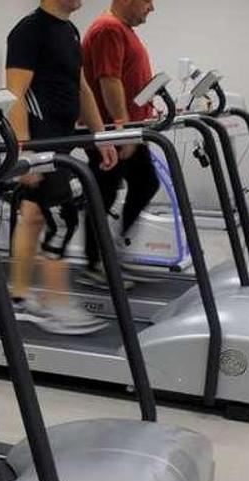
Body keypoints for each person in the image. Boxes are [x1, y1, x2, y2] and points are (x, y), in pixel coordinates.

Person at [5, 0, 118, 335]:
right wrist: (25, 153)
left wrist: (101, 136)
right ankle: (56, 305)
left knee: (33, 216)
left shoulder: (68, 30)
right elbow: (15, 95)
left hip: (62, 141)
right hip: (41, 145)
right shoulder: (29, 31)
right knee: (61, 220)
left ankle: (20, 299)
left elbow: (80, 86)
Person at [79, 0, 162, 287]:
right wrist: (122, 127)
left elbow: (127, 77)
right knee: (104, 193)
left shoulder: (122, 29)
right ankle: (95, 263)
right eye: (148, 1)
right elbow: (108, 80)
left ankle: (110, 250)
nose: (151, 8)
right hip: (109, 131)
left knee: (143, 183)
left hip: (127, 128)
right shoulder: (108, 28)